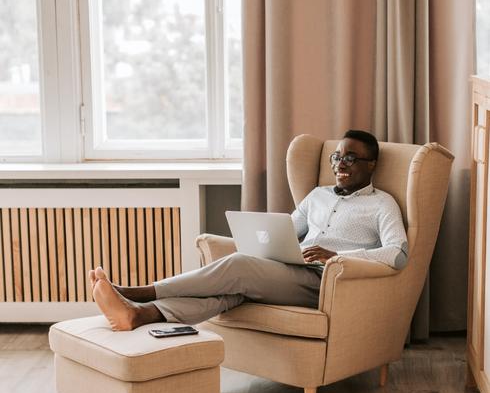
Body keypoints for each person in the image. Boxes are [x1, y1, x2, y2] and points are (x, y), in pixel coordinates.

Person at [89, 129, 408, 332]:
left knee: (240, 265)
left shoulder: (382, 204)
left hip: (326, 281)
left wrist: (337, 255)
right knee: (232, 292)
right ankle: (140, 315)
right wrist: (269, 243)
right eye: (337, 157)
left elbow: (398, 254)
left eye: (351, 158)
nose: (340, 164)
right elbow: (286, 230)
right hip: (291, 270)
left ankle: (139, 292)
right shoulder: (317, 195)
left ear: (371, 165)